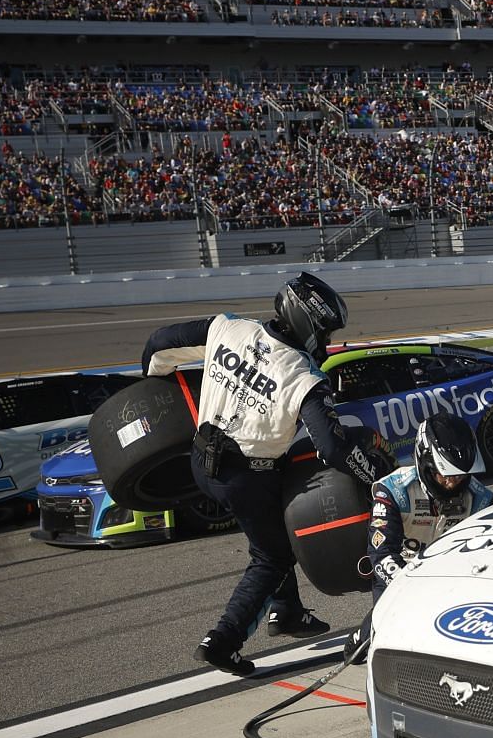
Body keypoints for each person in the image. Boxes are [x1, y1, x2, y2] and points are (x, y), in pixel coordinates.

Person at [141, 272, 394, 676]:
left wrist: (153, 390)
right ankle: (223, 641)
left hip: (201, 459)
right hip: (247, 477)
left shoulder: (228, 326)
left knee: (276, 526)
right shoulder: (303, 374)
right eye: (326, 332)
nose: (326, 343)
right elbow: (331, 447)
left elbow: (158, 346)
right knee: (272, 555)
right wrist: (373, 478)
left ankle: (286, 611)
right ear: (308, 322)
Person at [347, 413, 493, 665]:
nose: (452, 483)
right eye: (445, 474)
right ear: (426, 463)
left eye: (460, 475)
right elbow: (381, 555)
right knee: (365, 648)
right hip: (400, 575)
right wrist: (415, 587)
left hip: (452, 578)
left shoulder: (480, 499)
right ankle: (362, 636)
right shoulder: (393, 490)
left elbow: (490, 555)